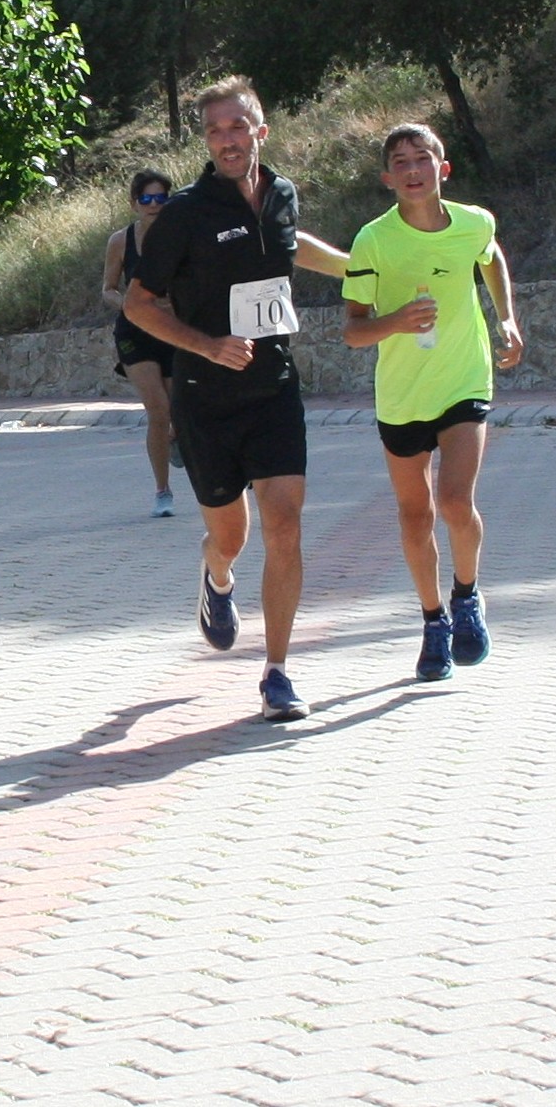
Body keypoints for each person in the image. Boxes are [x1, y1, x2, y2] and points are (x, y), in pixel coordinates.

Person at [123, 77, 351, 722]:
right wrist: (203, 345)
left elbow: (290, 246)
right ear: (207, 140)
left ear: (261, 129)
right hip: (206, 396)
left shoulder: (282, 194)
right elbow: (140, 304)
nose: (227, 139)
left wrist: (362, 265)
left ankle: (277, 671)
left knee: (285, 523)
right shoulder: (185, 216)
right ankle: (216, 576)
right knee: (231, 534)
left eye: (237, 126)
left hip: (274, 388)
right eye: (215, 130)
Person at [340, 122, 524, 682]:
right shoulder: (373, 240)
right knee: (415, 513)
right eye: (400, 162)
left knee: (452, 500)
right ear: (387, 178)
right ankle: (432, 620)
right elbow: (353, 330)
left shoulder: (474, 222)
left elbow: (490, 258)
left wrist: (507, 317)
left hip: (464, 379)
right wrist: (394, 322)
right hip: (400, 395)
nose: (412, 170)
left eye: (422, 159)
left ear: (442, 169)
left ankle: (467, 596)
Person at [101, 169, 181, 519]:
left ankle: (177, 437)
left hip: (173, 330)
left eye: (160, 198)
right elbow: (107, 289)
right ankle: (162, 492)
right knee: (158, 410)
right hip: (134, 332)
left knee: (177, 411)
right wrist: (132, 307)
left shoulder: (181, 238)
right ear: (134, 203)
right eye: (146, 199)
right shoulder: (120, 240)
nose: (154, 205)